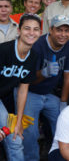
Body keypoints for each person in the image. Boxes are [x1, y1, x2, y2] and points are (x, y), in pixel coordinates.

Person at [20, 15, 69, 161]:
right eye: (59, 30)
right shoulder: (37, 45)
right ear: (51, 30)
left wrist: (63, 103)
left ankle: (61, 157)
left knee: (63, 125)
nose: (63, 34)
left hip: (51, 94)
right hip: (30, 92)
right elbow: (26, 80)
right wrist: (43, 73)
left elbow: (68, 77)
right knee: (30, 132)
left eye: (67, 30)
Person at [0, 14, 41, 161]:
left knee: (15, 137)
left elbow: (23, 90)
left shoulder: (33, 56)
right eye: (27, 28)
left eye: (36, 29)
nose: (31, 32)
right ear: (19, 30)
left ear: (40, 33)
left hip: (5, 98)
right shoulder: (4, 50)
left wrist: (18, 123)